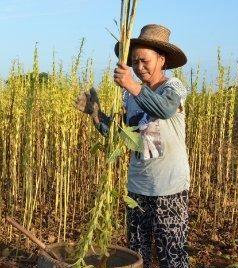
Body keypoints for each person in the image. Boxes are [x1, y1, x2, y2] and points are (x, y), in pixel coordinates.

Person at [75, 24, 190, 268]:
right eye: (134, 62)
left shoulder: (174, 88)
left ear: (162, 60)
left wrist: (130, 85)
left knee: (172, 253)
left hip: (168, 187)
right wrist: (95, 113)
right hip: (137, 187)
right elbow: (124, 137)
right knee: (138, 254)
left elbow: (165, 110)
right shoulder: (131, 95)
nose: (139, 67)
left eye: (144, 60)